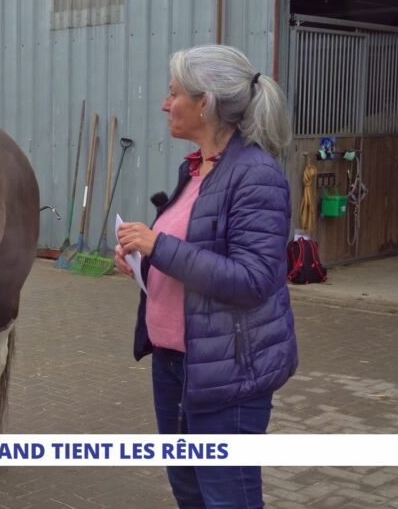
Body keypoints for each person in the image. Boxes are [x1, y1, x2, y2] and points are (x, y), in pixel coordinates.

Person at [116, 44, 298, 508]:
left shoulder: (256, 175)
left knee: (227, 498)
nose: (164, 103)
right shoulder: (195, 169)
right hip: (176, 364)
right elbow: (193, 255)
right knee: (191, 493)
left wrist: (162, 247)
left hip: (229, 373)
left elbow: (253, 279)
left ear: (206, 103)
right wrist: (144, 262)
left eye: (173, 92)